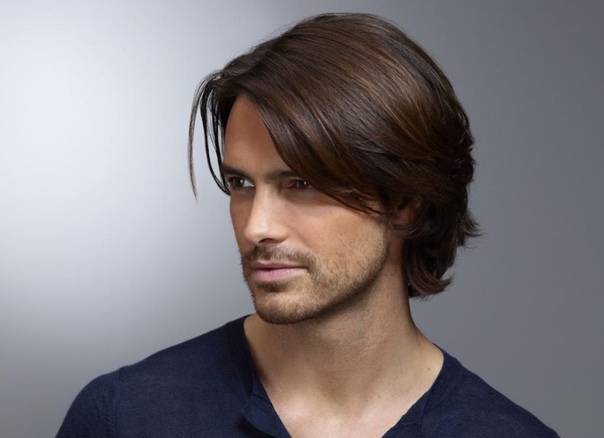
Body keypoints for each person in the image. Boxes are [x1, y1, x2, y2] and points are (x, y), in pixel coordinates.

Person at [57, 13, 558, 437]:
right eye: (240, 183)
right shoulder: (126, 416)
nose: (256, 227)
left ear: (406, 202)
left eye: (300, 184)